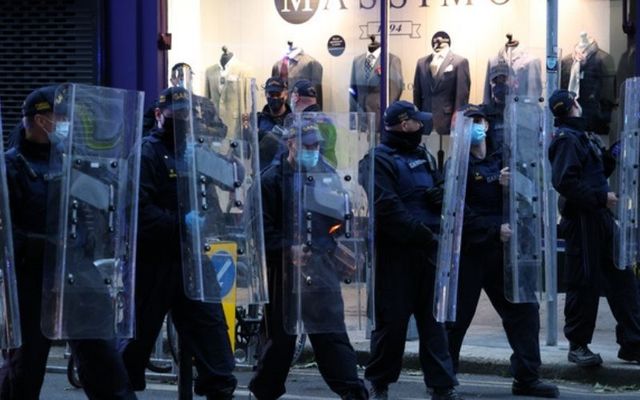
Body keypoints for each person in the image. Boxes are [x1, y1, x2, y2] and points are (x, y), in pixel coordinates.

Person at [0, 86, 137, 400]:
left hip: (77, 276)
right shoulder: (10, 168)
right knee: (24, 370)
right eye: (58, 116)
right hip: (31, 282)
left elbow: (103, 206)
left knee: (105, 363)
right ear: (38, 120)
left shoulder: (72, 163)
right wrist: (36, 246)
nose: (65, 123)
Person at [121, 86, 237, 399]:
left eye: (187, 116)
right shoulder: (147, 153)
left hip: (193, 259)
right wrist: (180, 223)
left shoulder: (194, 151)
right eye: (175, 116)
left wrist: (214, 163)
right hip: (154, 262)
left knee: (213, 339)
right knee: (135, 344)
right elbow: (137, 211)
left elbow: (229, 181)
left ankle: (219, 386)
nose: (182, 121)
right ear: (159, 115)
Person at [248, 120, 368, 400]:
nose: (313, 150)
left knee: (331, 334)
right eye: (307, 144)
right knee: (281, 340)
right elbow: (258, 230)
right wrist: (288, 248)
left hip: (320, 267)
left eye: (316, 145)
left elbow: (336, 221)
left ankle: (352, 390)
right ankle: (264, 392)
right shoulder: (271, 179)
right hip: (283, 272)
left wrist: (333, 245)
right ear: (291, 143)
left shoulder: (326, 175)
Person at [446, 105, 559, 398]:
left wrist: (511, 186)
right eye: (469, 123)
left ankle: (526, 377)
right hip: (471, 252)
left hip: (504, 254)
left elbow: (529, 197)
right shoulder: (456, 165)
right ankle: (443, 381)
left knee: (524, 311)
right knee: (455, 320)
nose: (476, 127)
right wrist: (491, 229)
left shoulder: (503, 161)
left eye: (479, 121)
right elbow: (455, 213)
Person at [362, 100, 461, 400]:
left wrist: (441, 192)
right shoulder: (377, 159)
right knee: (391, 324)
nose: (422, 126)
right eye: (417, 121)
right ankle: (379, 382)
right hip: (396, 255)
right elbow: (387, 207)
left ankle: (442, 385)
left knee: (434, 323)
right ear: (404, 125)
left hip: (428, 250)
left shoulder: (424, 155)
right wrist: (423, 235)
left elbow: (442, 185)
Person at [548, 89, 640, 366]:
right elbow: (565, 182)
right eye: (577, 101)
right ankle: (578, 345)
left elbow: (597, 171)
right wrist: (602, 198)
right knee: (584, 282)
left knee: (623, 278)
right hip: (583, 221)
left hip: (600, 218)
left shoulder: (582, 136)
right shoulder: (566, 140)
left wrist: (614, 153)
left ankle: (633, 343)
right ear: (572, 106)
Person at [289, 79, 337, 166]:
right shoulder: (327, 120)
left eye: (291, 96)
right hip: (328, 171)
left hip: (312, 173)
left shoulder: (303, 123)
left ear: (296, 97)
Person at [256, 77, 292, 170]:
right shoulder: (257, 120)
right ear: (265, 95)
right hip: (262, 176)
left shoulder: (294, 120)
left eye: (278, 94)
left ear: (285, 95)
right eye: (271, 94)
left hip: (285, 176)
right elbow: (246, 150)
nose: (275, 98)